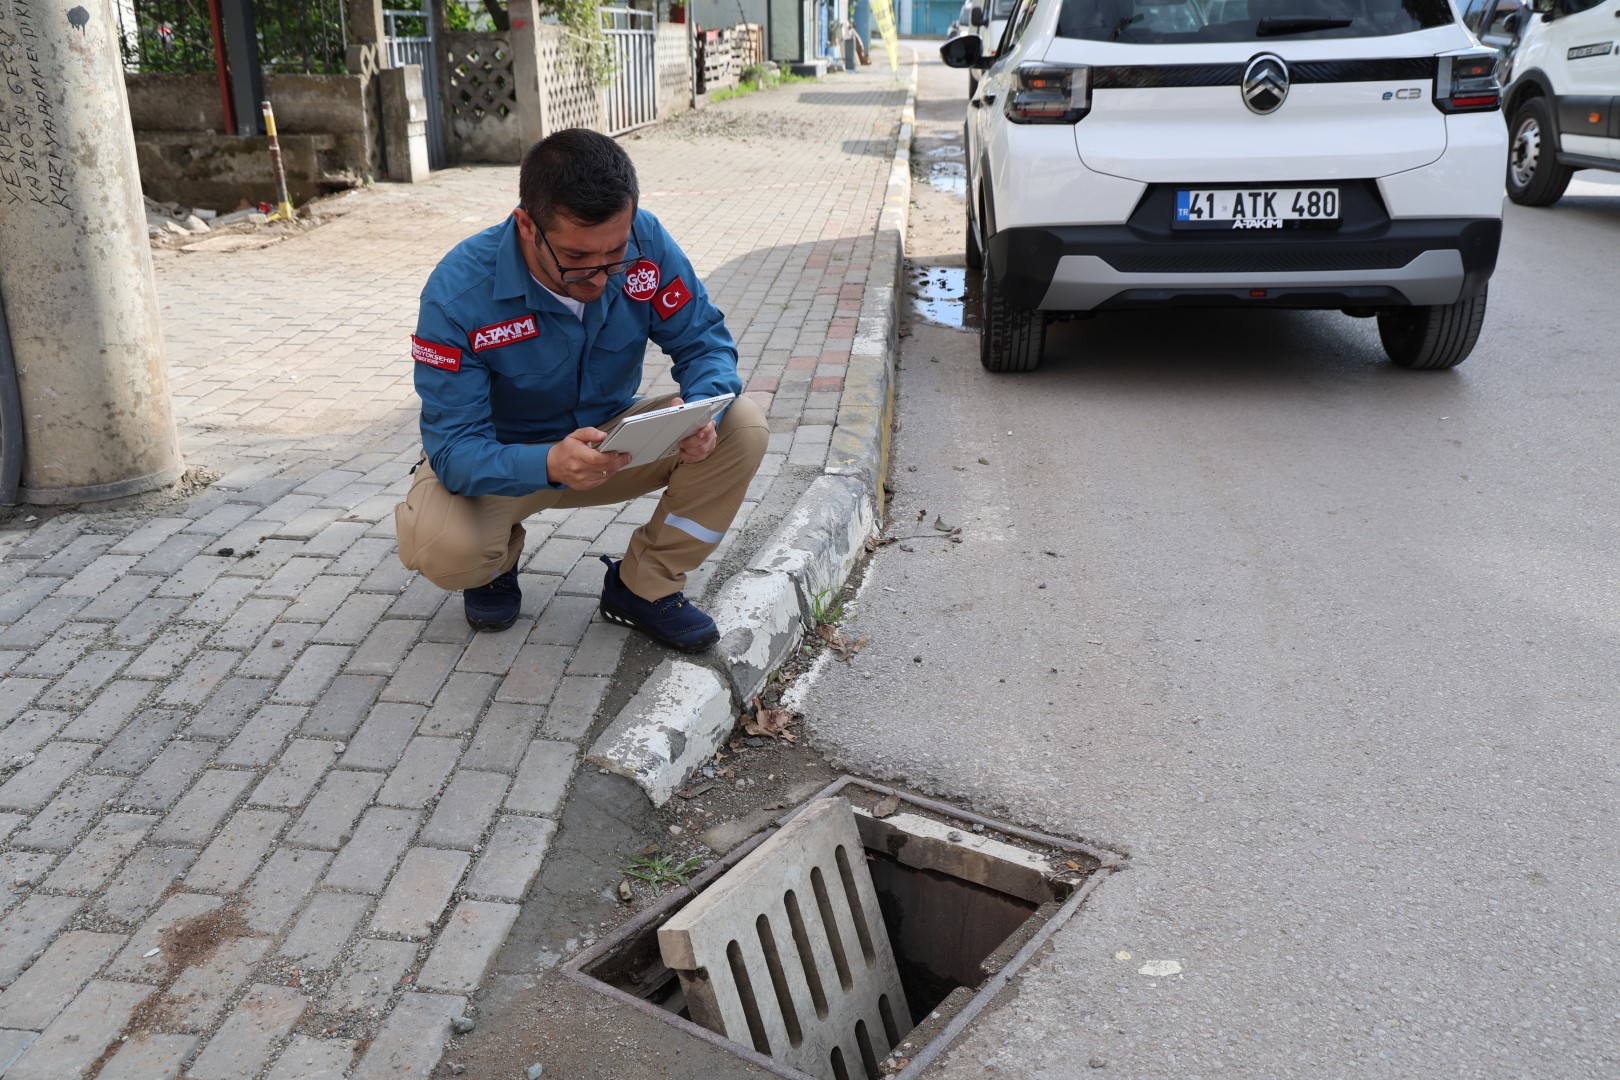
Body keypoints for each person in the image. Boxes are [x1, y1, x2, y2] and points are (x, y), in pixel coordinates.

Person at [393, 129, 768, 653]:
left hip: (611, 443)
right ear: (527, 225)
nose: (599, 277)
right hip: (506, 459)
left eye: (615, 253)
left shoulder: (646, 241)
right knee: (444, 548)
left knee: (741, 426)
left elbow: (704, 341)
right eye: (576, 257)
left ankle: (643, 586)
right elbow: (455, 449)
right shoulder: (458, 295)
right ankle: (494, 565)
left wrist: (701, 410)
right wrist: (548, 462)